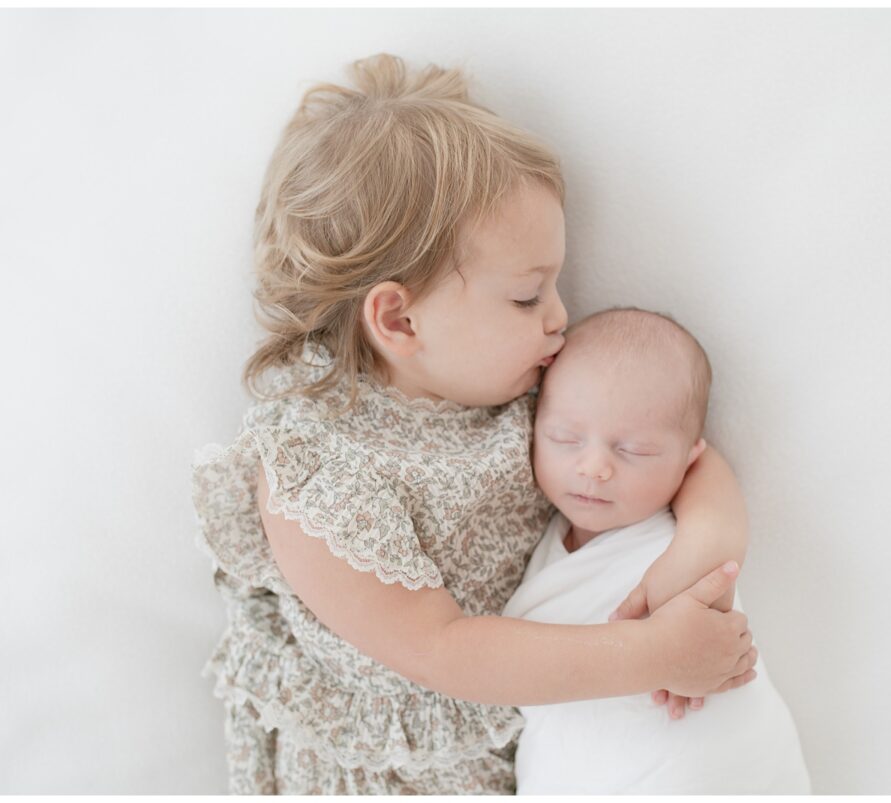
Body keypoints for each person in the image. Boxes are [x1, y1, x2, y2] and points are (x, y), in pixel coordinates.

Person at [191, 53, 756, 795]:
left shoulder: (524, 385)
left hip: (522, 746)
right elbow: (442, 648)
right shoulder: (315, 469)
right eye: (527, 296)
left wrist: (709, 543)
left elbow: (671, 443)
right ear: (398, 318)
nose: (560, 315)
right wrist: (651, 654)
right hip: (384, 771)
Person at [502, 308, 811, 794]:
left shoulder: (679, 543)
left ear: (689, 460)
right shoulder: (536, 539)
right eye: (564, 438)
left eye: (635, 451)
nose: (594, 467)